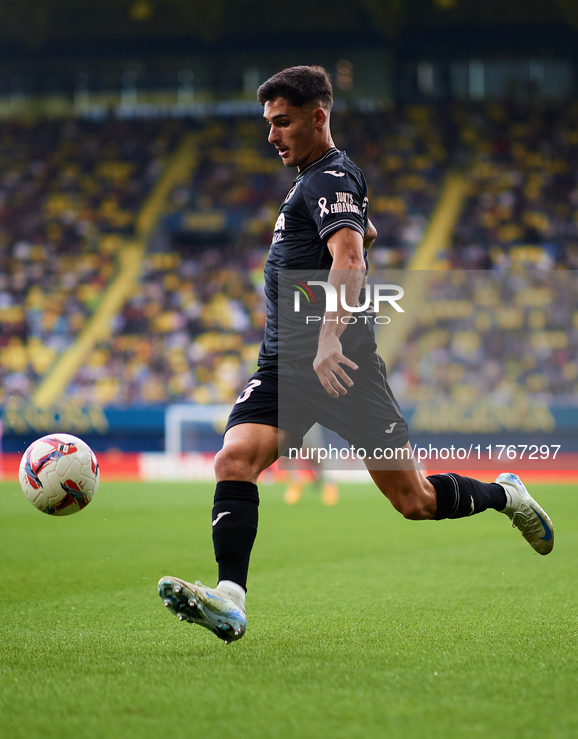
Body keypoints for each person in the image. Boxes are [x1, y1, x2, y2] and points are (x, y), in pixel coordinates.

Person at [158, 66, 554, 644]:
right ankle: (230, 598)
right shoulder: (319, 182)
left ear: (319, 116)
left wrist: (328, 339)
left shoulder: (330, 176)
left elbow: (350, 259)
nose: (272, 135)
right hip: (284, 368)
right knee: (234, 460)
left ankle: (505, 495)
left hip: (342, 368)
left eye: (282, 122)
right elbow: (360, 236)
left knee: (413, 501)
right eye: (268, 124)